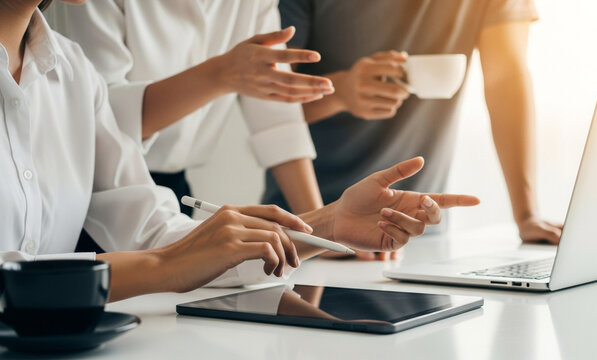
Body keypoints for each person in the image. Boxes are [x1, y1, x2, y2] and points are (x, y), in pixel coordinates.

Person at [0, 0, 479, 301]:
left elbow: (159, 236)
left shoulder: (72, 72)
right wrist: (166, 265)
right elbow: (168, 256)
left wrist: (327, 225)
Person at [264, 0, 562, 262]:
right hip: (299, 230)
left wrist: (527, 215)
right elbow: (265, 102)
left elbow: (505, 80)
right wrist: (341, 92)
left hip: (415, 232)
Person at [47, 1, 334, 218]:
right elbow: (103, 120)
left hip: (174, 192)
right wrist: (219, 74)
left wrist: (323, 228)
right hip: (94, 190)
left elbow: (277, 119)